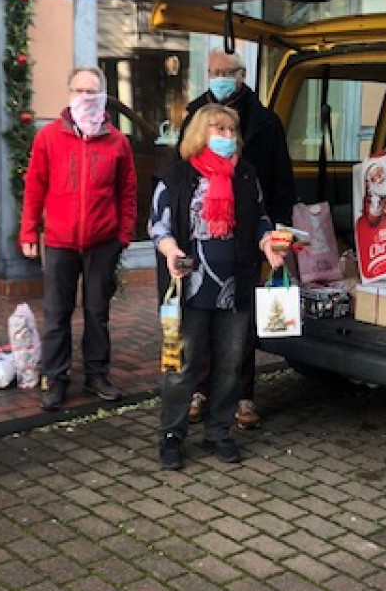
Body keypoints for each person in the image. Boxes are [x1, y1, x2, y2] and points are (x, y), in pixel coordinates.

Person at [151, 104, 290, 469]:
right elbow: (159, 226)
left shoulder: (245, 176)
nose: (227, 136)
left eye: (232, 130)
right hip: (189, 288)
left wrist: (269, 245)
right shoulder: (176, 177)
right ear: (200, 132)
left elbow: (260, 220)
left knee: (230, 366)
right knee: (183, 366)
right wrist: (170, 251)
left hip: (235, 287)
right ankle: (171, 435)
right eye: (219, 129)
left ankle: (218, 431)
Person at [177, 47, 296, 430]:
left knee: (239, 322)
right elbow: (179, 177)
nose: (218, 77)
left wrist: (277, 231)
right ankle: (198, 390)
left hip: (248, 235)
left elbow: (280, 181)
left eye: (225, 71)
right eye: (213, 71)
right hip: (202, 239)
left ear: (242, 74)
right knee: (198, 321)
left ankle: (243, 395)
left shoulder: (265, 122)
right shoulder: (195, 112)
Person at [19, 66, 137, 411]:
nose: (86, 97)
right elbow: (35, 187)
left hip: (102, 241)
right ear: (69, 93)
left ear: (103, 95)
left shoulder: (118, 141)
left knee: (97, 312)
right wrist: (28, 230)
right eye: (79, 90)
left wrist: (123, 234)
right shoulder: (49, 137)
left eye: (92, 91)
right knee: (57, 314)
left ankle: (97, 375)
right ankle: (55, 379)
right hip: (59, 240)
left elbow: (127, 191)